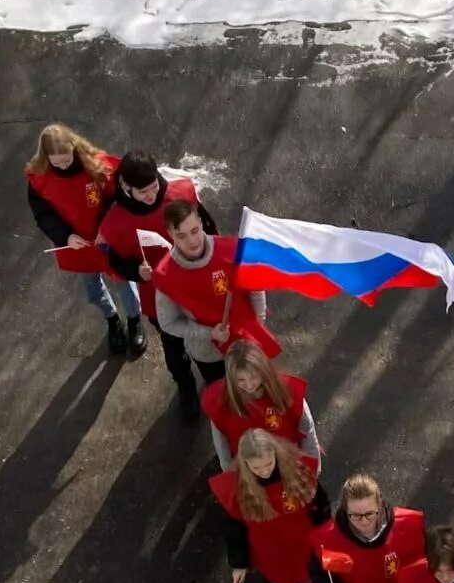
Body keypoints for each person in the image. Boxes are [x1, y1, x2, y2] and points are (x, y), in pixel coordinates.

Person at [97, 150, 218, 414]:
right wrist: (136, 271)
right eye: (143, 193)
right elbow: (115, 261)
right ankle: (185, 387)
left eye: (153, 187)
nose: (151, 196)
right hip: (157, 295)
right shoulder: (115, 219)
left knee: (207, 337)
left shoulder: (180, 194)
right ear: (126, 187)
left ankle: (214, 384)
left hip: (195, 284)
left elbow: (208, 229)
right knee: (173, 345)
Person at [208, 429, 332, 583]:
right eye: (256, 468)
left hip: (303, 546)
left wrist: (327, 538)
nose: (264, 472)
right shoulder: (237, 488)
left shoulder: (298, 471)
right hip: (269, 552)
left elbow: (320, 505)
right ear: (245, 465)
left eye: (268, 464)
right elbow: (233, 529)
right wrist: (239, 563)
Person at [25, 123, 142, 354]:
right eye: (56, 162)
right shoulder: (39, 178)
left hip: (107, 238)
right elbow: (43, 215)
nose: (62, 165)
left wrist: (108, 227)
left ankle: (134, 320)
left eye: (66, 159)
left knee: (124, 282)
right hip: (77, 244)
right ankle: (112, 319)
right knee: (93, 288)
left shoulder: (96, 166)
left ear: (74, 148)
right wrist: (65, 237)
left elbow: (118, 199)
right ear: (46, 157)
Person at [154, 198, 280, 390]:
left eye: (194, 231)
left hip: (247, 341)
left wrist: (258, 325)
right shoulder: (165, 275)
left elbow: (255, 287)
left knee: (256, 390)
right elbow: (168, 323)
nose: (192, 241)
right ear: (170, 234)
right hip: (209, 354)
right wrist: (208, 333)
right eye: (181, 236)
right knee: (222, 395)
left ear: (201, 222)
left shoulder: (230, 250)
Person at [202, 340, 321, 468]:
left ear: (263, 370)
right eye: (240, 380)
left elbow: (306, 427)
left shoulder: (286, 390)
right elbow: (221, 442)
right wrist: (228, 472)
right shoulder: (220, 401)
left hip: (286, 461)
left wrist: (313, 464)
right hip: (251, 467)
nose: (249, 385)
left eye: (253, 377)